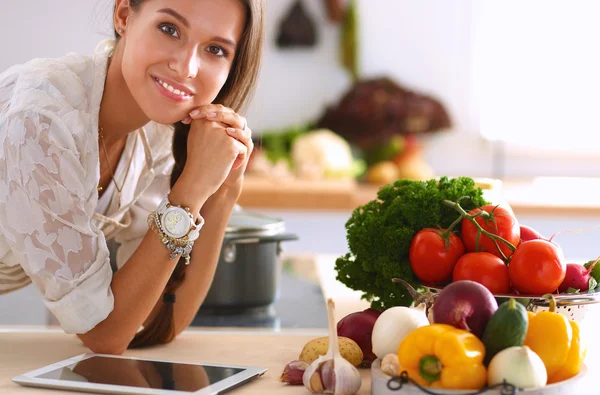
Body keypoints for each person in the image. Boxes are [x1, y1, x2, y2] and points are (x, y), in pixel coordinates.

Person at [0, 0, 264, 354]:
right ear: (123, 16)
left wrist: (225, 188)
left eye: (215, 49)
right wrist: (187, 196)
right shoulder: (43, 120)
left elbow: (160, 318)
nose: (186, 68)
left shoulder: (158, 130)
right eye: (170, 29)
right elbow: (104, 336)